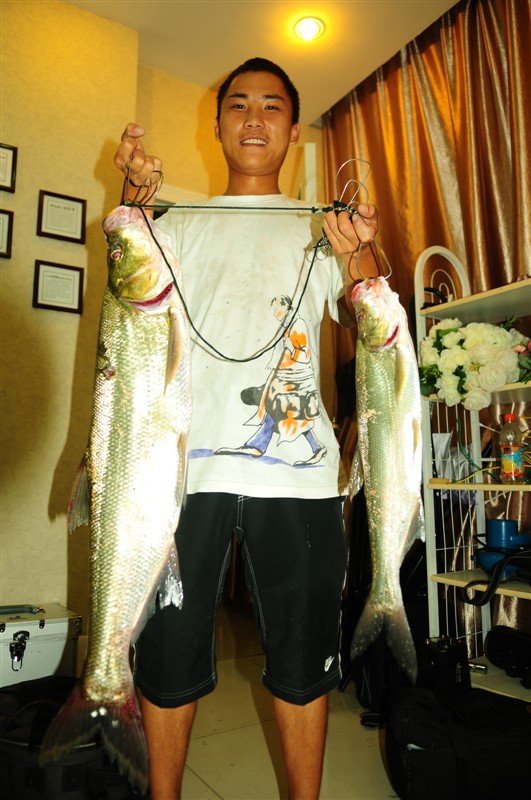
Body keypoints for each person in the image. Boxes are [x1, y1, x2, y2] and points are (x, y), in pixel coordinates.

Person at [114, 57, 379, 800]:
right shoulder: (177, 221)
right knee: (167, 653)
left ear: (293, 131)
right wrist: (133, 203)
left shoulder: (320, 226)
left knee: (302, 660)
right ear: (217, 124)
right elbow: (128, 297)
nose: (254, 118)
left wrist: (361, 245)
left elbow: (373, 314)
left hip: (299, 475)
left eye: (271, 106)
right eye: (238, 104)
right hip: (179, 474)